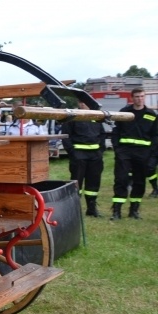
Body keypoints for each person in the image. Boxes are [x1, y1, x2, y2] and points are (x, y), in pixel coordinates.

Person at [111, 88, 158, 220]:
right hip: (124, 152)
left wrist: (151, 153)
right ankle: (116, 211)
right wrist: (117, 148)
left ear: (145, 98)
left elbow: (155, 136)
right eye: (137, 96)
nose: (139, 99)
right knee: (121, 180)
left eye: (142, 96)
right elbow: (116, 131)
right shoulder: (124, 113)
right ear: (132, 98)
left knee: (139, 182)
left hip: (143, 154)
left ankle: (134, 210)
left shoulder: (151, 114)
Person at [62, 102, 106, 217]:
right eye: (81, 102)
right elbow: (66, 136)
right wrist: (73, 153)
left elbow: (102, 135)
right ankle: (74, 210)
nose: (83, 104)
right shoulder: (72, 116)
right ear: (78, 103)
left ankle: (91, 209)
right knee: (76, 183)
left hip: (95, 156)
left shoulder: (96, 116)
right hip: (79, 156)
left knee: (94, 183)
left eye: (85, 101)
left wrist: (101, 151)